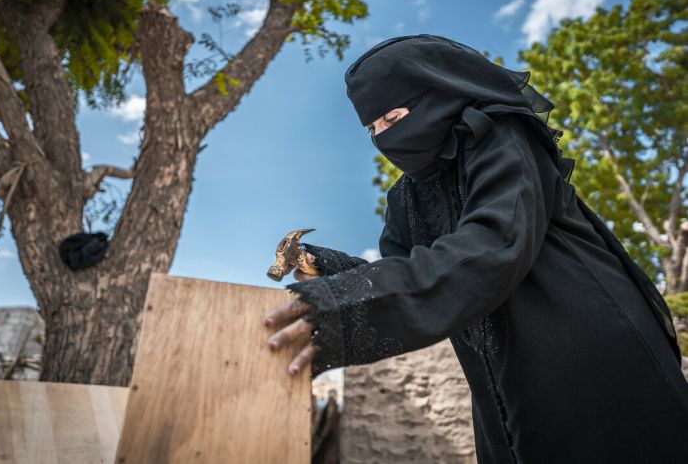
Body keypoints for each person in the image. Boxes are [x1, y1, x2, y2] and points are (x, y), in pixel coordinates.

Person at [262, 34, 688, 463]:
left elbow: (496, 243)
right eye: (373, 128)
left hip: (585, 354)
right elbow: (418, 276)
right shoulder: (406, 199)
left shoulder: (501, 136)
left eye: (392, 117)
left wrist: (344, 303)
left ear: (437, 95)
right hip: (497, 384)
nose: (384, 138)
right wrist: (332, 269)